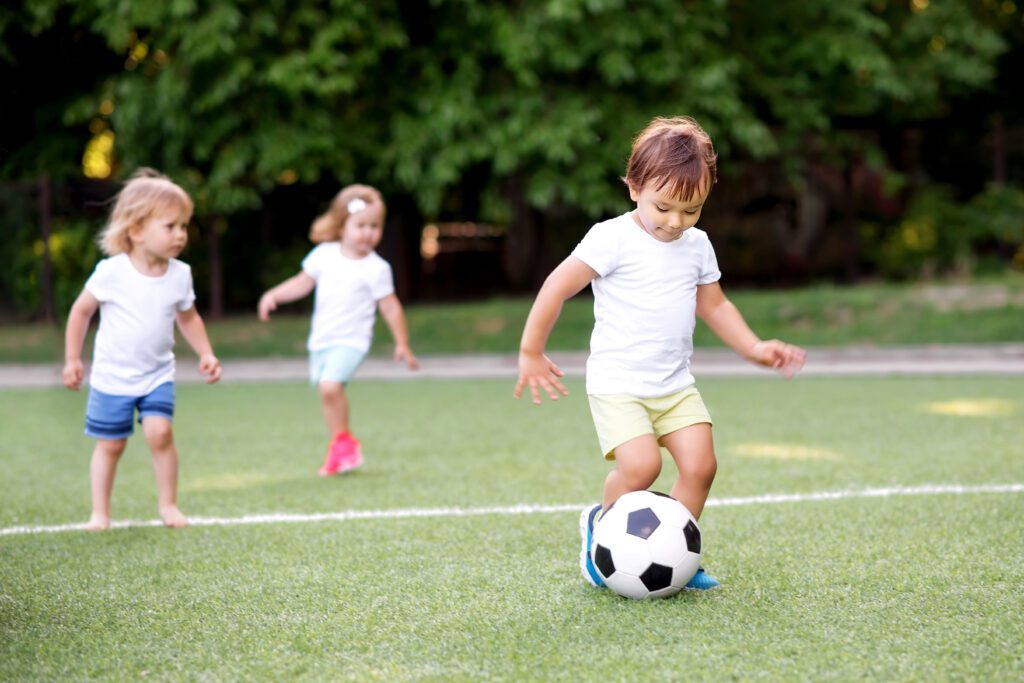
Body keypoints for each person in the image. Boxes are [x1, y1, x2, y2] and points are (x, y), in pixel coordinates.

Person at [514, 116, 806, 590]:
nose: (675, 222)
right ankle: (600, 527)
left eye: (691, 210)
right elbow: (556, 287)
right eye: (664, 207)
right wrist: (530, 350)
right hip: (619, 384)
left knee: (701, 466)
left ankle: (677, 553)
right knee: (641, 467)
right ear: (633, 188)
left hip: (674, 384)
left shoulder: (697, 246)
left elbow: (714, 304)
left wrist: (754, 347)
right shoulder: (611, 238)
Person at [63, 168, 222, 531]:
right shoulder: (111, 272)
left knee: (160, 433)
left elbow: (189, 318)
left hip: (156, 374)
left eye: (184, 226)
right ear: (135, 231)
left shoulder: (180, 274)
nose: (180, 234)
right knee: (111, 445)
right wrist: (73, 359)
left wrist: (206, 353)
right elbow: (81, 311)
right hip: (112, 376)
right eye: (170, 226)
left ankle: (168, 504)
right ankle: (100, 512)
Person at [258, 184, 418, 476]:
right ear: (341, 224)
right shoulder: (324, 254)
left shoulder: (377, 268)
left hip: (352, 340)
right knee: (327, 393)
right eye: (361, 225)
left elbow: (391, 307)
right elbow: (302, 282)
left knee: (330, 386)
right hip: (321, 340)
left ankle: (345, 444)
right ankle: (340, 446)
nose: (368, 232)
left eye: (375, 226)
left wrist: (402, 343)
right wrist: (274, 295)